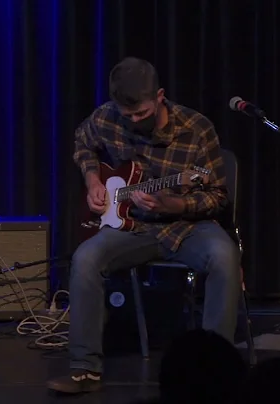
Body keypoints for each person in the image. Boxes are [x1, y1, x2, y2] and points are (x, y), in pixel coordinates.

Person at [46, 57, 241, 394]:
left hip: (186, 226)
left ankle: (216, 375)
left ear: (160, 96)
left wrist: (175, 203)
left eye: (142, 114)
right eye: (129, 116)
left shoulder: (196, 128)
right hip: (132, 227)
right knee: (85, 259)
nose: (136, 121)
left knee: (224, 257)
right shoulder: (106, 116)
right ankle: (84, 370)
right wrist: (93, 178)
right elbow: (82, 142)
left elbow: (218, 196)